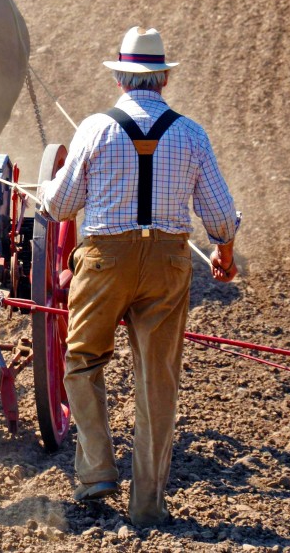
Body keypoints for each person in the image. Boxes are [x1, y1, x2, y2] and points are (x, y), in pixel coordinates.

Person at [39, 26, 240, 527]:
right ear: (164, 78)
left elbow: (61, 206)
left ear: (123, 79)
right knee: (157, 382)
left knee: (83, 360)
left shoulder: (94, 128)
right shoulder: (191, 133)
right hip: (169, 263)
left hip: (105, 259)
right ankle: (148, 504)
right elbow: (219, 213)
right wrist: (225, 253)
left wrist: (46, 191)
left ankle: (97, 469)